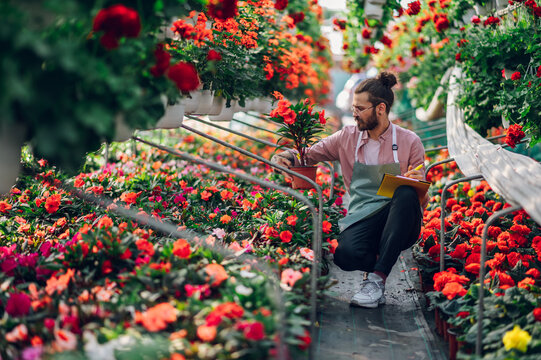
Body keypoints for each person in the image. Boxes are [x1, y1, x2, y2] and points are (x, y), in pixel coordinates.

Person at [271, 72, 427, 308]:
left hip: (399, 219)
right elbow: (310, 153)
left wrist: (419, 188)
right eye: (353, 107)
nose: (354, 113)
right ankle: (379, 261)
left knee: (405, 193)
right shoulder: (347, 137)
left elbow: (420, 202)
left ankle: (376, 280)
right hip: (362, 216)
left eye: (360, 108)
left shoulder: (409, 141)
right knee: (345, 255)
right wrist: (286, 155)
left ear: (380, 109)